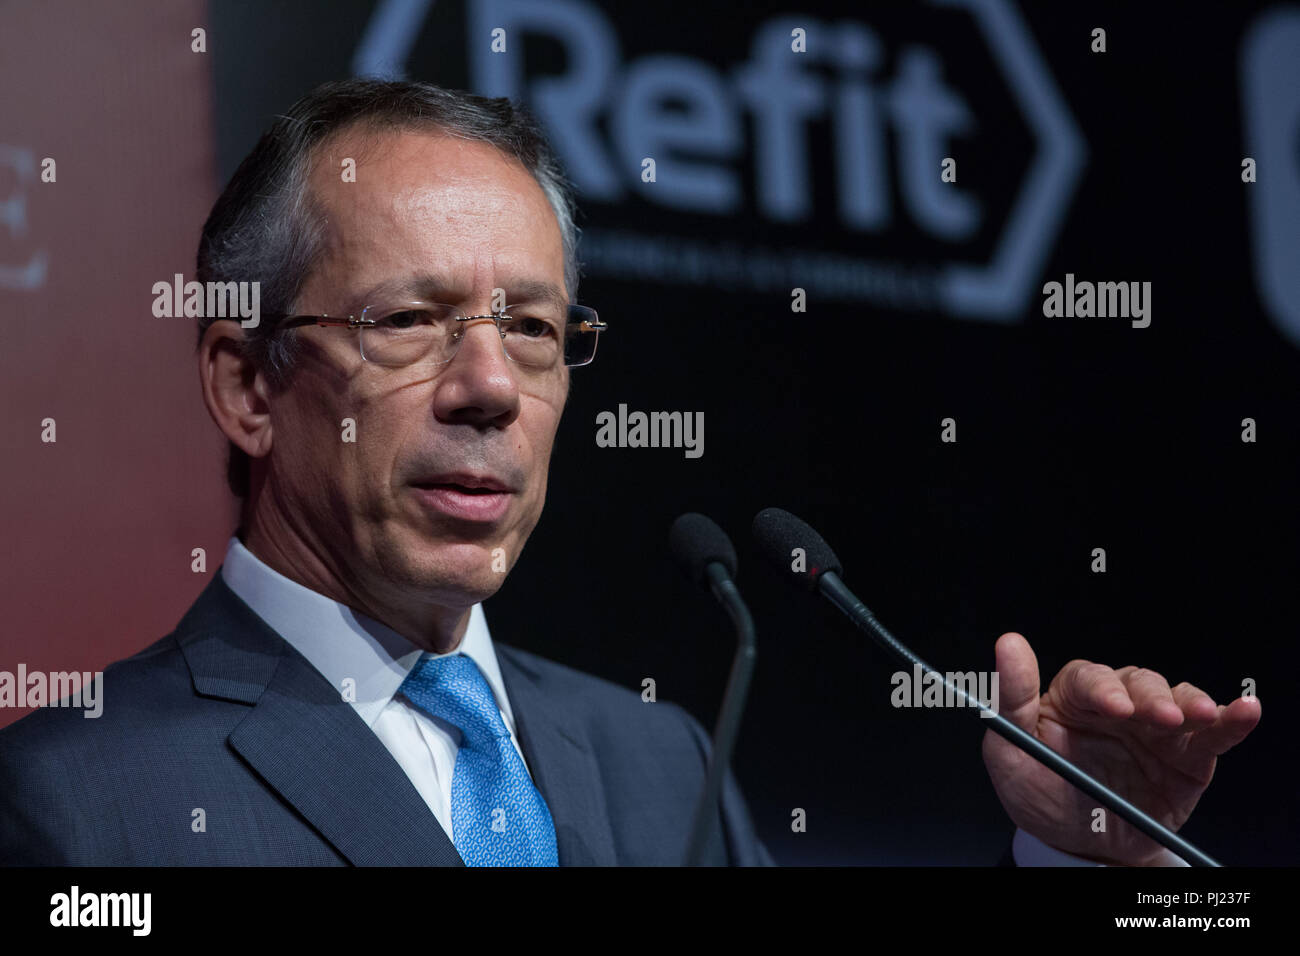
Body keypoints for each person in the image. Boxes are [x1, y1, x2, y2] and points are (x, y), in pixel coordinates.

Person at [0, 79, 1260, 867]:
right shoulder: (78, 801)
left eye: (537, 331)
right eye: (407, 321)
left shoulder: (660, 759)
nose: (491, 386)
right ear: (246, 382)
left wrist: (1075, 865)